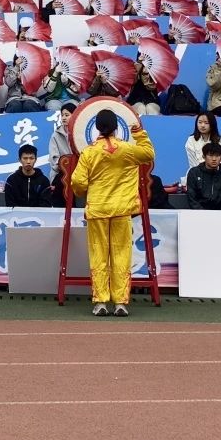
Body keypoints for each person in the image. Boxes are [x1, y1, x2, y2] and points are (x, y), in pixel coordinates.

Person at [70, 109, 155, 317]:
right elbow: (149, 154)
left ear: (97, 128)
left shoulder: (89, 152)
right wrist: (139, 133)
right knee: (121, 255)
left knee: (99, 256)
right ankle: (120, 303)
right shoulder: (127, 149)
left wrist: (85, 191)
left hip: (98, 210)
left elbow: (77, 182)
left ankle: (100, 301)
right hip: (122, 210)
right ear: (117, 127)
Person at [186, 142, 221, 210]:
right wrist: (202, 213)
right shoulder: (194, 173)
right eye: (210, 155)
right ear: (204, 157)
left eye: (217, 156)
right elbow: (192, 197)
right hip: (199, 213)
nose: (214, 159)